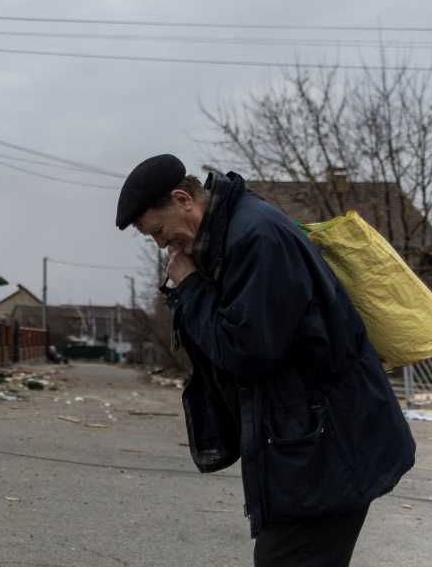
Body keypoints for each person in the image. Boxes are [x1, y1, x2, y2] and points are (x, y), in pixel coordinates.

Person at [115, 154, 414, 567]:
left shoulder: (257, 239)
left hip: (328, 452)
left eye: (159, 231)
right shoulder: (236, 234)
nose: (162, 244)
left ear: (184, 199)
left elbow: (246, 351)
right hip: (310, 448)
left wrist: (188, 287)